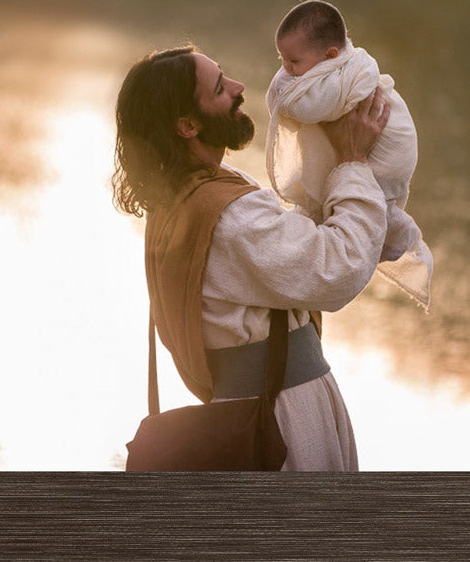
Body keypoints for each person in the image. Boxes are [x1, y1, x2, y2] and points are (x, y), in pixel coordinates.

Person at [113, 45, 391, 471]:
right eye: (221, 88)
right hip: (281, 417)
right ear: (187, 125)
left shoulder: (182, 196)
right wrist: (353, 162)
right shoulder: (229, 215)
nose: (240, 89)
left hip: (251, 406)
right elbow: (337, 268)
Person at [266, 0, 432, 308]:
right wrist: (292, 74)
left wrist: (281, 87)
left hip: (389, 146)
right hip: (375, 143)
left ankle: (389, 234)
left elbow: (297, 105)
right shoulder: (328, 66)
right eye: (281, 58)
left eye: (293, 61)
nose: (285, 68)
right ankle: (389, 231)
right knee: (368, 204)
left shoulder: (342, 76)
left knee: (372, 199)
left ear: (329, 56)